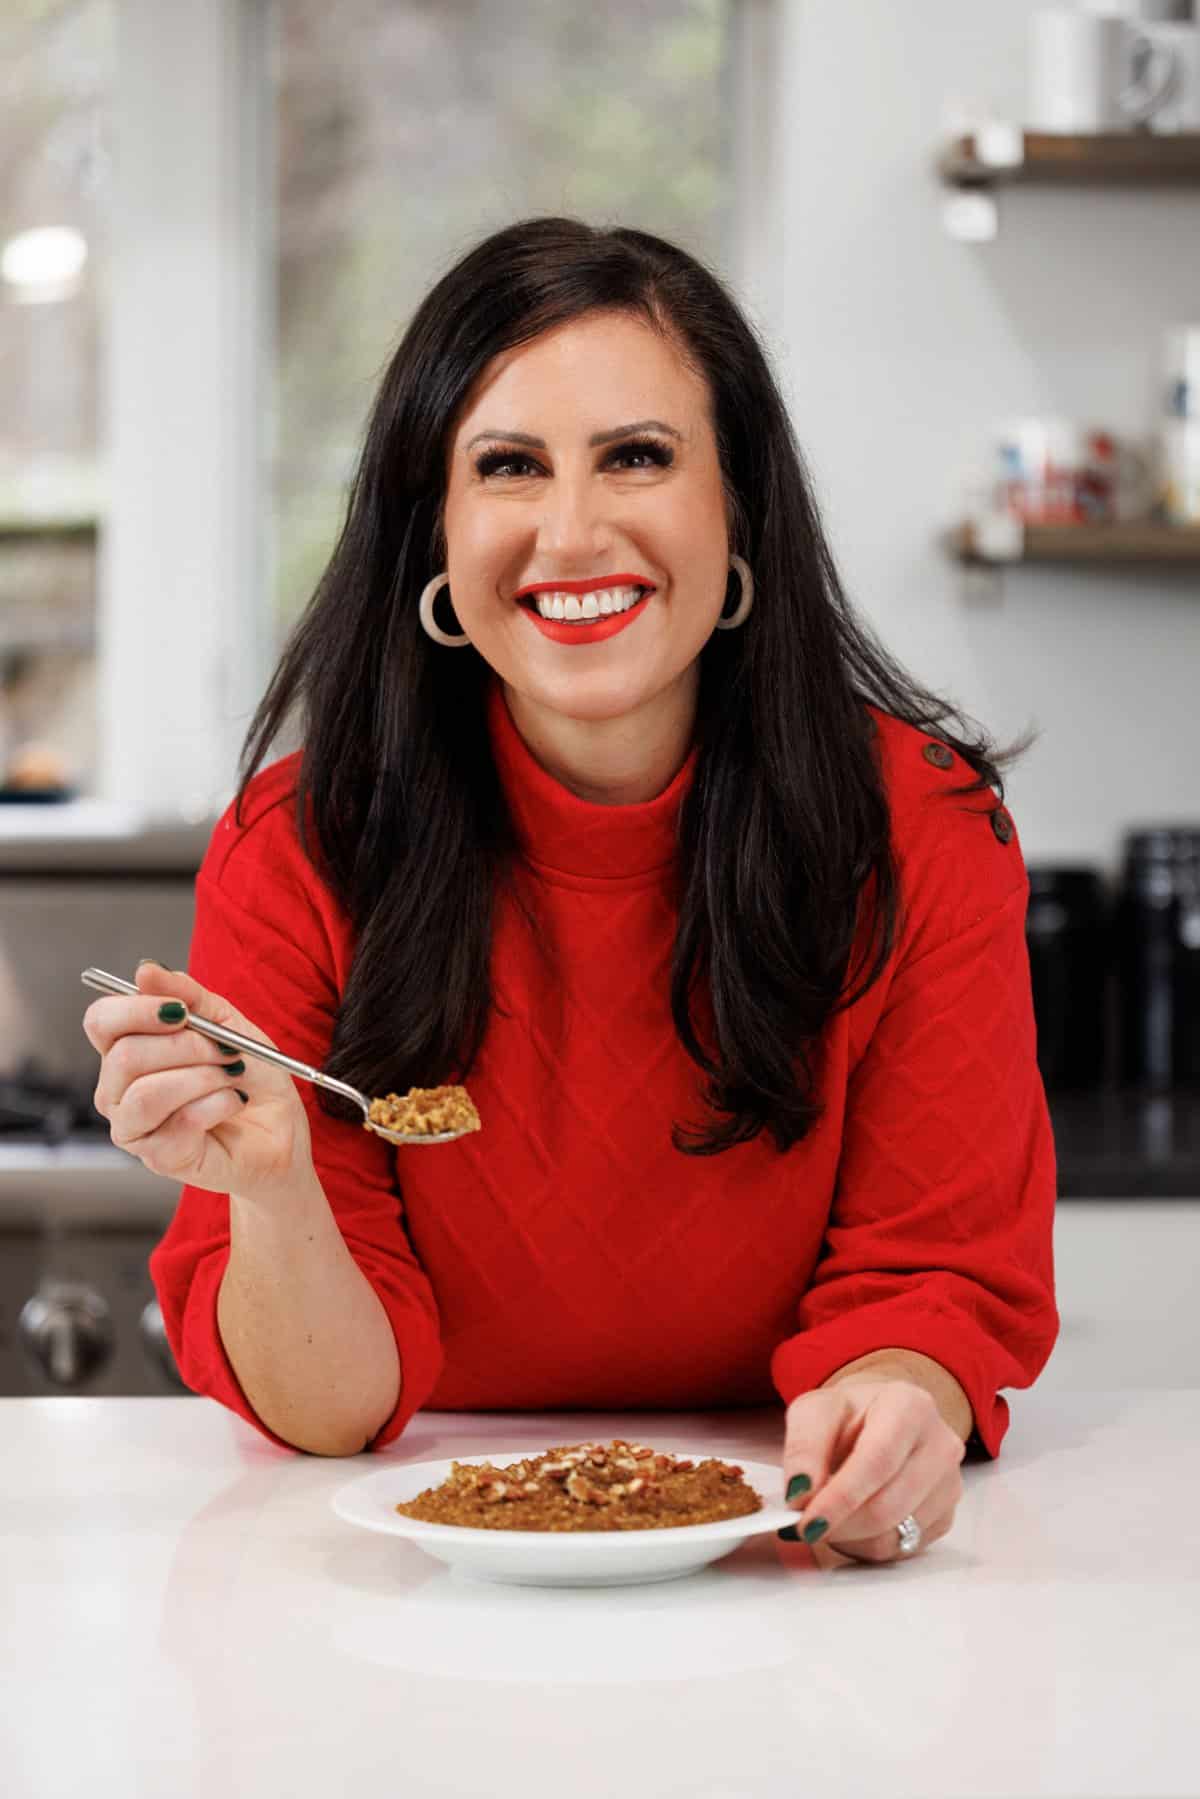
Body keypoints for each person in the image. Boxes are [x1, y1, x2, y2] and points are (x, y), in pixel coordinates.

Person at [82, 217, 1058, 1567]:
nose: (572, 530)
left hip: (783, 1561)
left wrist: (904, 1396)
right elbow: (331, 1419)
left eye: (638, 458)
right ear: (435, 529)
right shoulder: (302, 841)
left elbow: (933, 1277)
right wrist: (276, 1188)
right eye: (508, 467)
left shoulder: (922, 826)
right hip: (405, 1583)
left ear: (740, 508)